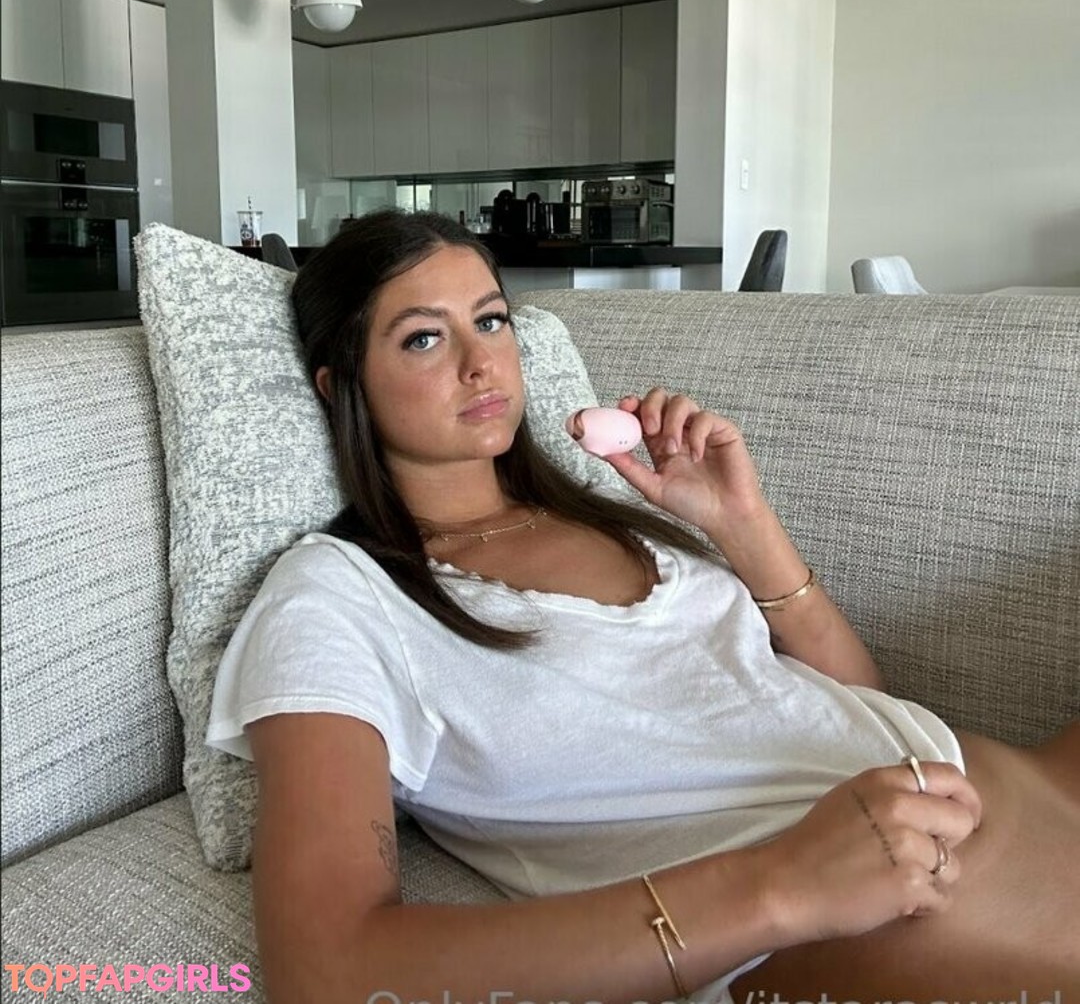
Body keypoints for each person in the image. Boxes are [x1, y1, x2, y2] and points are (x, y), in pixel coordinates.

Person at [207, 210, 1079, 1004]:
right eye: (424, 338)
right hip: (891, 913)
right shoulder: (336, 595)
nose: (481, 363)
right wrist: (783, 884)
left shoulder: (604, 513)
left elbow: (859, 700)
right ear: (339, 385)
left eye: (492, 320)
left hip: (1008, 782)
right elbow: (325, 970)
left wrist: (743, 525)